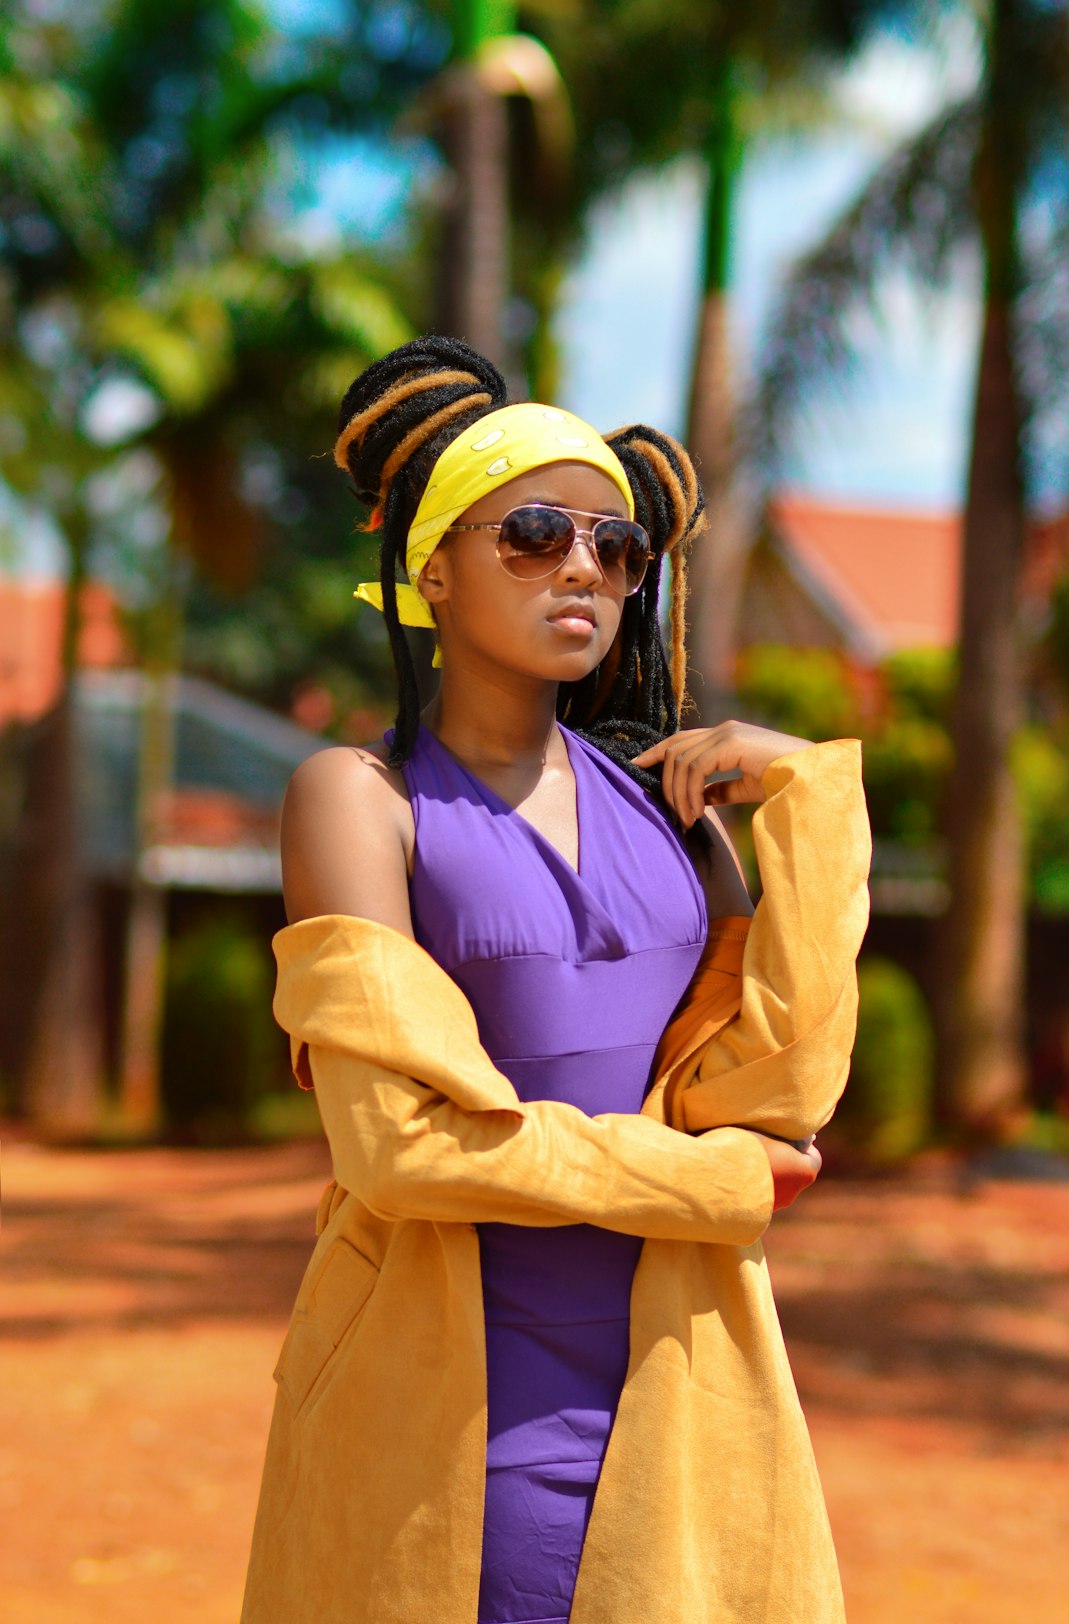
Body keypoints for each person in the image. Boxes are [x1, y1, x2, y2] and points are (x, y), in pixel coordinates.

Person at [240, 336, 871, 1624]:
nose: (582, 566)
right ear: (431, 566)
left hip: (683, 1406)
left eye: (616, 547)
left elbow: (788, 1091)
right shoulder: (359, 801)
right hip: (440, 1434)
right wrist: (710, 1182)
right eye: (532, 533)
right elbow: (398, 1149)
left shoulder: (677, 819)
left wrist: (805, 789)